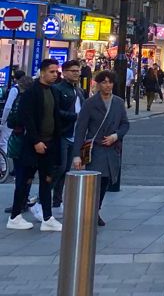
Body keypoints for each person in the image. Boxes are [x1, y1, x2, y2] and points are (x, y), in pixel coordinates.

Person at [7, 59, 63, 232]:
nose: (55, 75)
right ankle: (15, 216)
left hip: (49, 144)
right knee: (25, 181)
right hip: (33, 145)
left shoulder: (53, 91)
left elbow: (55, 117)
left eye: (56, 72)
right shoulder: (31, 93)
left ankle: (47, 217)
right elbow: (27, 119)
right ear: (43, 72)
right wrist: (36, 140)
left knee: (47, 180)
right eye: (52, 72)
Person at [72, 71, 129, 225]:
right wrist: (77, 154)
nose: (108, 85)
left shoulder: (118, 102)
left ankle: (96, 210)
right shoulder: (90, 103)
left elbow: (125, 124)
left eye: (110, 82)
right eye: (104, 82)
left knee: (105, 182)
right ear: (98, 84)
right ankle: (90, 211)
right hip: (94, 148)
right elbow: (81, 129)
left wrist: (116, 136)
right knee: (94, 181)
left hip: (111, 148)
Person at [52, 59, 85, 212]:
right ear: (64, 73)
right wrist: (75, 116)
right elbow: (55, 111)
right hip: (62, 134)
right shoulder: (57, 89)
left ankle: (57, 201)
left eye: (78, 71)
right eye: (73, 71)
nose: (77, 74)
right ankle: (43, 199)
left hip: (75, 135)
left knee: (66, 169)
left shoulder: (78, 90)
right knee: (59, 168)